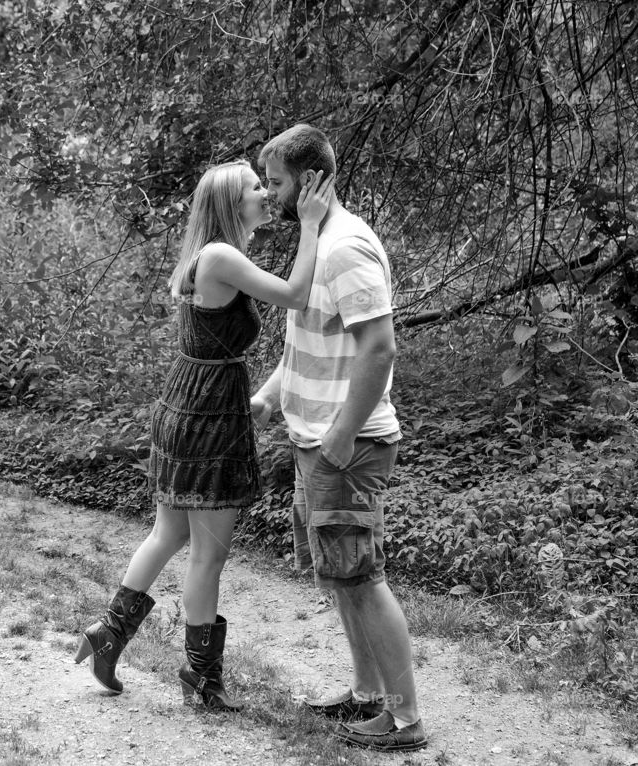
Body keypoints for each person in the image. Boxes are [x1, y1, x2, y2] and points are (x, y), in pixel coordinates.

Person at [75, 159, 334, 711]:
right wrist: (310, 224)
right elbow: (294, 294)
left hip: (192, 402)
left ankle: (108, 633)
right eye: (254, 188)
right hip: (207, 411)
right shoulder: (219, 256)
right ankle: (202, 679)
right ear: (228, 204)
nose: (265, 194)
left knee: (169, 533)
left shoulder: (213, 254)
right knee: (206, 555)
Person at [251, 124, 427, 752]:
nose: (270, 194)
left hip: (345, 445)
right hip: (317, 440)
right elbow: (313, 337)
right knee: (340, 576)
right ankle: (366, 697)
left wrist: (341, 438)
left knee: (361, 575)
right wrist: (274, 392)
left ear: (311, 181)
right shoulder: (317, 245)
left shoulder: (345, 246)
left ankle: (405, 720)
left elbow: (378, 348)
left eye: (276, 183)